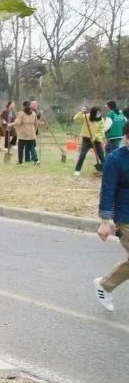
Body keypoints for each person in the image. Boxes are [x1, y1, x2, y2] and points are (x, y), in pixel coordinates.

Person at [94, 143, 129, 312]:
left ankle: (105, 284)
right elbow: (107, 190)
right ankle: (105, 285)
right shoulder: (115, 159)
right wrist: (105, 221)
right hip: (125, 216)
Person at [73, 105, 109, 176]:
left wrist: (94, 137)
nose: (98, 114)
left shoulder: (101, 120)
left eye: (99, 113)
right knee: (82, 155)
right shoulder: (86, 116)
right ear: (93, 113)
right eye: (96, 113)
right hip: (86, 139)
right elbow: (76, 118)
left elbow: (101, 131)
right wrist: (81, 112)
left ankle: (105, 171)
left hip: (96, 140)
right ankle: (77, 170)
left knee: (102, 156)